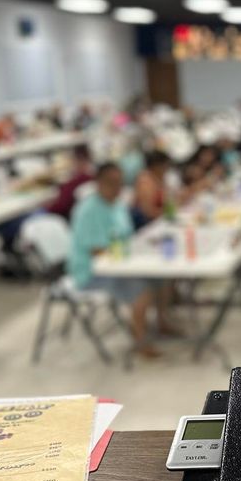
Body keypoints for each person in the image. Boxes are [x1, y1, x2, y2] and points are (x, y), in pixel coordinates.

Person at [67, 162, 170, 359]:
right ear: (98, 183)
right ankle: (141, 342)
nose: (117, 188)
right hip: (92, 272)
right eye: (112, 183)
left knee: (161, 279)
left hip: (121, 263)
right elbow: (97, 251)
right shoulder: (87, 210)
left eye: (120, 183)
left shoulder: (118, 205)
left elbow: (127, 238)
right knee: (141, 289)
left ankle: (162, 323)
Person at [45, 144, 96, 219]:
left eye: (73, 160)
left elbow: (60, 207)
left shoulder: (75, 182)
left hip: (60, 217)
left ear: (79, 160)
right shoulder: (93, 177)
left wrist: (47, 206)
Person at [132, 150, 172, 228]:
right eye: (165, 166)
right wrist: (167, 212)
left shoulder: (159, 178)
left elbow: (168, 201)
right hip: (144, 224)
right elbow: (148, 212)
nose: (167, 169)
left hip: (157, 220)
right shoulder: (145, 181)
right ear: (156, 166)